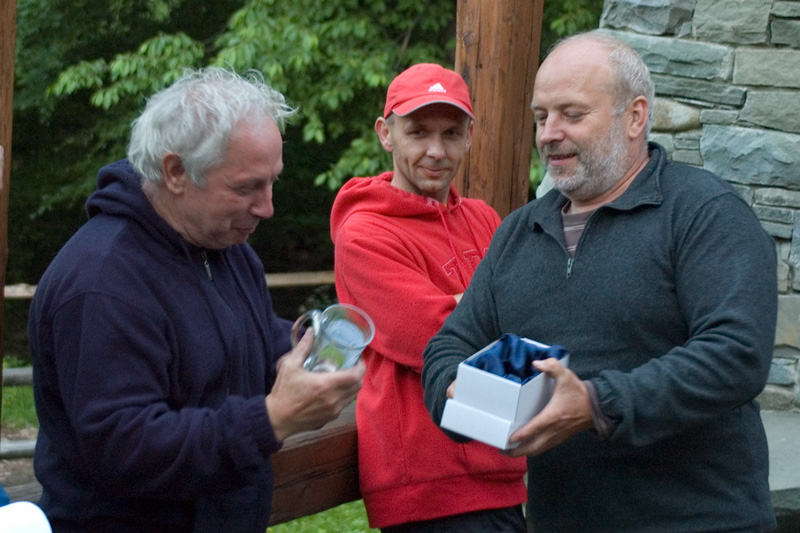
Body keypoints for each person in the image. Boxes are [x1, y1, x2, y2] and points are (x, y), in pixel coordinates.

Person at [422, 31, 778, 533]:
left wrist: (596, 404)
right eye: (541, 116)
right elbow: (448, 345)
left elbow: (735, 354)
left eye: (572, 114)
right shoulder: (519, 232)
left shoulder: (704, 213)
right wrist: (460, 396)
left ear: (634, 117)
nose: (549, 133)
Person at [27, 67, 364, 532]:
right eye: (246, 187)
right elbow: (125, 448)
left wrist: (311, 350)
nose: (267, 207)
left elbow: (247, 341)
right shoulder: (102, 283)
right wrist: (271, 419)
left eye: (272, 182)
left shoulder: (227, 248)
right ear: (176, 172)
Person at [330, 63, 527, 532]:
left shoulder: (484, 219)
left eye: (451, 133)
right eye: (418, 132)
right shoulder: (364, 233)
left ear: (470, 137)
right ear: (386, 134)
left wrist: (469, 306)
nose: (436, 151)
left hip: (502, 468)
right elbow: (437, 337)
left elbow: (533, 314)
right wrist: (497, 311)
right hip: (427, 487)